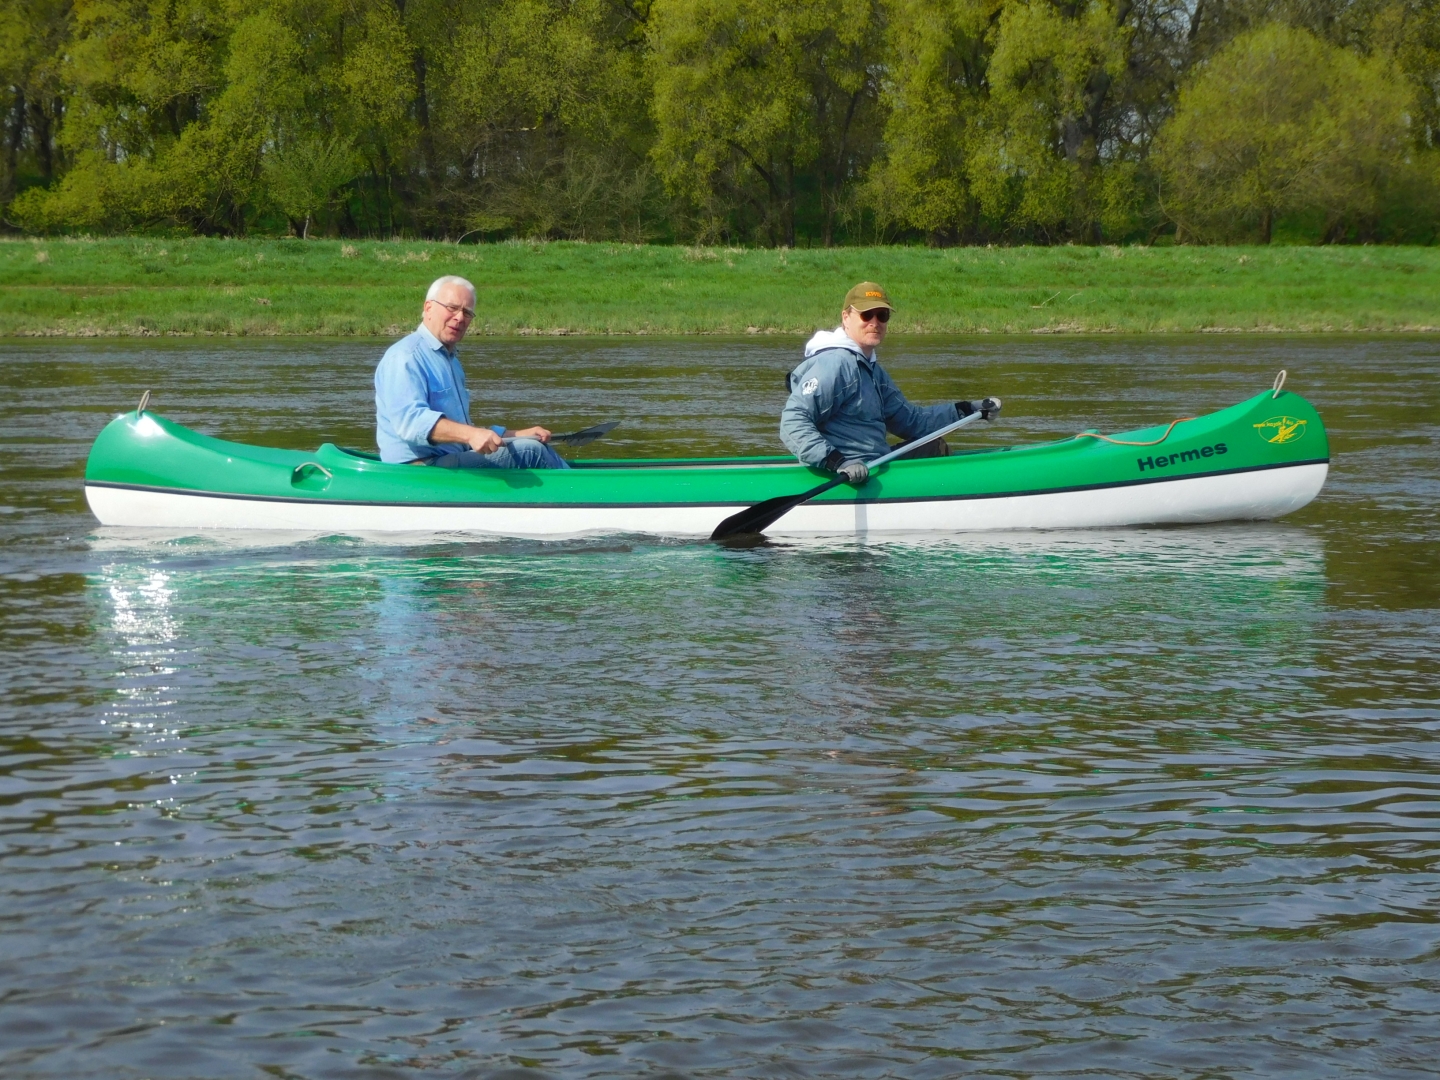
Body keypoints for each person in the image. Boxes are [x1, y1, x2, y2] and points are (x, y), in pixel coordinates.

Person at [779, 281, 999, 484]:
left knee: (933, 447)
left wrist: (967, 409)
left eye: (882, 315)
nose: (875, 322)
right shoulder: (835, 364)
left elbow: (913, 422)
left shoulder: (872, 370)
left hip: (875, 465)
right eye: (866, 315)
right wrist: (837, 462)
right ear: (846, 317)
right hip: (847, 476)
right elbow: (792, 422)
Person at [374, 275, 568, 469]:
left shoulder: (451, 360)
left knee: (533, 444)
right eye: (452, 308)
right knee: (530, 452)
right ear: (428, 308)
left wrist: (516, 435)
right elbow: (411, 423)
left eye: (467, 312)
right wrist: (471, 435)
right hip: (419, 470)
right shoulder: (405, 357)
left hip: (449, 461)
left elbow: (463, 433)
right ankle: (585, 496)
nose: (459, 318)